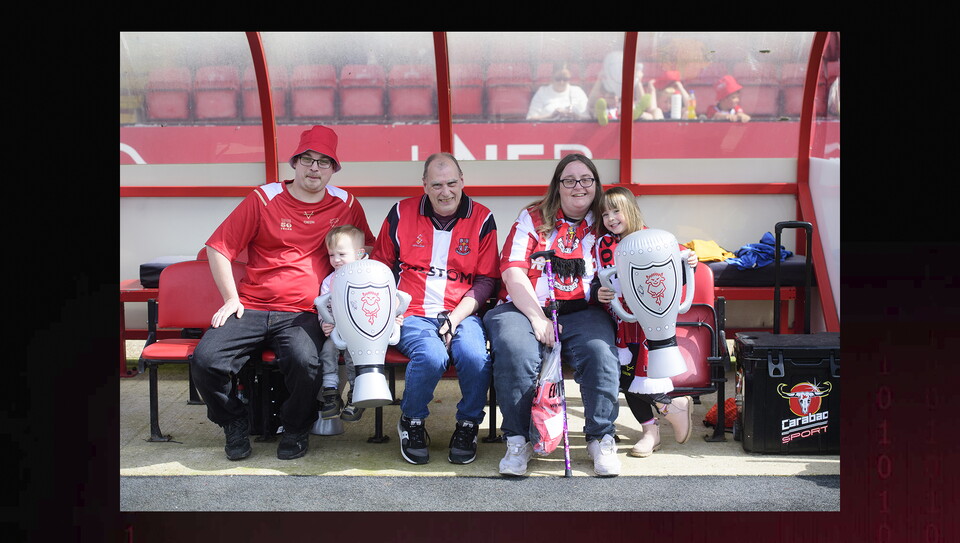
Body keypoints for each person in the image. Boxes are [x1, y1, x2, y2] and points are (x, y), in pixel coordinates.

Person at [191, 125, 375, 461]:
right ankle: (233, 422)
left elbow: (367, 252)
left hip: (304, 312)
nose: (315, 168)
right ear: (294, 162)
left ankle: (295, 428)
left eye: (324, 161)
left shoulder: (346, 204)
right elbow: (218, 247)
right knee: (206, 360)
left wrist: (348, 305)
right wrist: (231, 298)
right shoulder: (264, 198)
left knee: (306, 363)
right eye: (307, 159)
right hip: (251, 307)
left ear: (334, 168)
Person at [484, 153, 622, 477]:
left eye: (586, 179)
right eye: (569, 180)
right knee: (516, 350)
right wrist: (537, 318)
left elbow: (640, 242)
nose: (578, 186)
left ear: (596, 184)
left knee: (600, 353)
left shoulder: (607, 219)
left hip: (583, 310)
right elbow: (512, 271)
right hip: (524, 308)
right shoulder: (532, 218)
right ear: (557, 185)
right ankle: (518, 440)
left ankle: (601, 438)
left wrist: (682, 254)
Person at [371, 152, 500, 466]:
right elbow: (380, 267)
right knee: (431, 356)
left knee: (474, 356)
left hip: (462, 311)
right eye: (437, 185)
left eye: (452, 183)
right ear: (424, 185)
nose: (446, 192)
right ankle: (412, 421)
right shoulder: (400, 212)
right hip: (411, 311)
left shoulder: (482, 217)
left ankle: (468, 424)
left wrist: (454, 319)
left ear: (462, 181)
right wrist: (388, 311)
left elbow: (486, 280)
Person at [593, 186, 697, 458]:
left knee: (644, 377)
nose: (610, 218)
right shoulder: (603, 245)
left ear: (631, 210)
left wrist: (691, 260)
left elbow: (679, 269)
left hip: (650, 326)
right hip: (620, 324)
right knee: (626, 379)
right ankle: (653, 429)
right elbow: (597, 279)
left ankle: (669, 408)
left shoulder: (654, 239)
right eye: (605, 214)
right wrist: (598, 292)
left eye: (616, 211)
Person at [315, 225, 375, 422]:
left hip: (362, 333)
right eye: (332, 255)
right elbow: (323, 305)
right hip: (337, 330)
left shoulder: (369, 274)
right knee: (327, 350)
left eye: (341, 254)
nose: (336, 260)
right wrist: (324, 322)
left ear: (359, 254)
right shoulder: (330, 281)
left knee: (352, 355)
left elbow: (381, 300)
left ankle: (356, 394)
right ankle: (331, 392)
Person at [588, 51, 647, 125]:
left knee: (644, 114)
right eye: (610, 96)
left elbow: (643, 102)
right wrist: (599, 80)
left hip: (627, 117)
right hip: (606, 120)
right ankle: (603, 117)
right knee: (594, 111)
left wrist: (638, 80)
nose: (613, 97)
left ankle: (635, 114)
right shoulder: (602, 105)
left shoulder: (628, 105)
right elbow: (591, 102)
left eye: (614, 96)